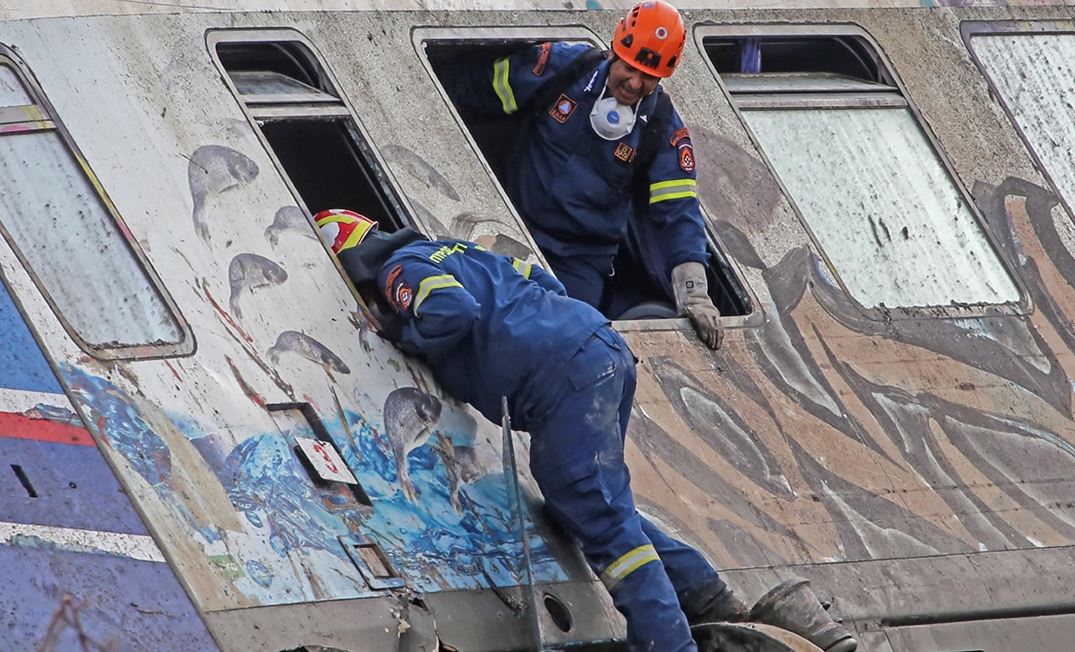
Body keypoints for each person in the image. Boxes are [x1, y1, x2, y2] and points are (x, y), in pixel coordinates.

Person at [315, 209, 749, 651]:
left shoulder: (398, 268)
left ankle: (671, 645)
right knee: (587, 503)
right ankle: (703, 592)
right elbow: (547, 284)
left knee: (600, 517)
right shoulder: (457, 250)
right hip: (599, 346)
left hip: (564, 381)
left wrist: (405, 334)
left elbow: (452, 311)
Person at [441, 0, 723, 349]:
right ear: (615, 50)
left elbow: (678, 212)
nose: (634, 84)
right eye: (630, 68)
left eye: (649, 77)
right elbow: (476, 90)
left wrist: (694, 293)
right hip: (511, 227)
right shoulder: (562, 68)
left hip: (580, 261)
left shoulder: (663, 129)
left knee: (564, 346)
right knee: (473, 318)